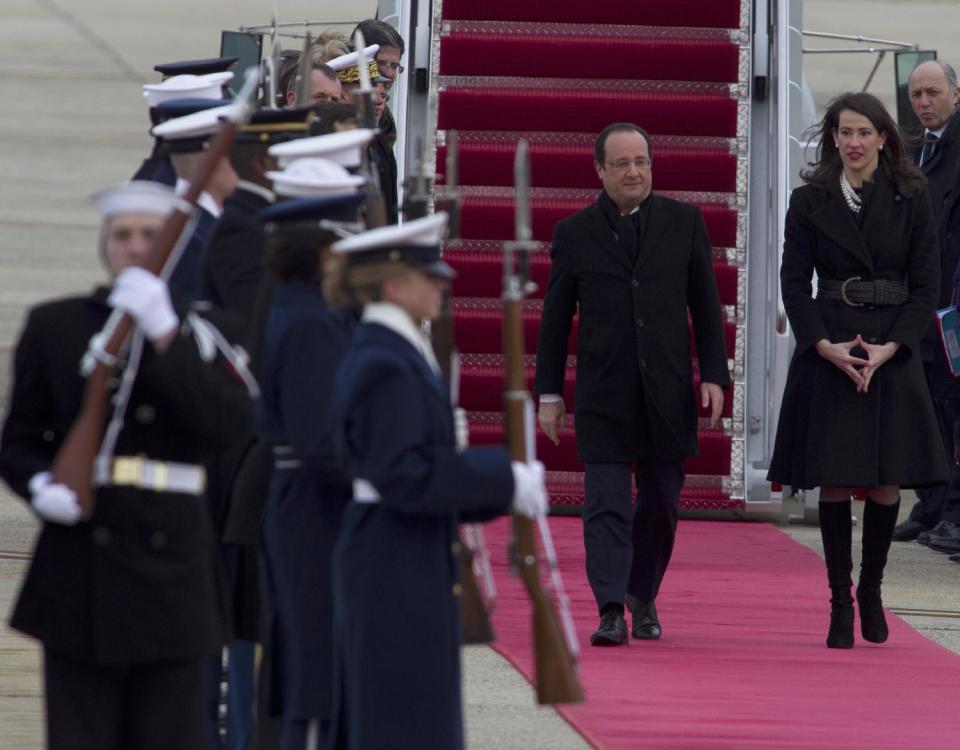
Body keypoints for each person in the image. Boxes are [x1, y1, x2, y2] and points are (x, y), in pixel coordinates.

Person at [0, 180, 252, 750]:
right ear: (105, 245)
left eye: (148, 235)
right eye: (122, 236)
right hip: (80, 566)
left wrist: (167, 334)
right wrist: (39, 485)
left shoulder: (208, 333)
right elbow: (18, 440)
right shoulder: (56, 326)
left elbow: (225, 427)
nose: (135, 247)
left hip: (176, 574)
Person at [326, 213, 548, 750]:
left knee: (414, 713)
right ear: (394, 284)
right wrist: (502, 477)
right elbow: (404, 474)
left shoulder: (394, 351)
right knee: (401, 719)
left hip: (401, 553)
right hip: (392, 560)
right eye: (432, 276)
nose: (443, 285)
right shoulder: (384, 360)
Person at [534, 122, 730, 646]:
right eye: (621, 163)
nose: (633, 171)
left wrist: (713, 374)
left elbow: (707, 308)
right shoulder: (574, 233)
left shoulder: (684, 223)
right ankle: (611, 607)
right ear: (599, 170)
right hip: (604, 391)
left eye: (641, 161)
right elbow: (555, 320)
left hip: (667, 390)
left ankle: (644, 594)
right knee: (605, 502)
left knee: (663, 501)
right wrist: (549, 393)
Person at [767, 92, 949, 648]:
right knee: (837, 478)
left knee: (885, 479)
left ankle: (872, 591)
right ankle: (838, 600)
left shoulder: (911, 196)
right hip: (831, 344)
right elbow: (794, 282)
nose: (853, 143)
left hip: (891, 347)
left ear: (883, 138)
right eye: (844, 133)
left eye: (864, 133)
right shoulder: (810, 200)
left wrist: (894, 347)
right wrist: (821, 344)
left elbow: (927, 286)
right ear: (833, 139)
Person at [255, 188, 366, 750]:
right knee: (318, 672)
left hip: (301, 501)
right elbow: (321, 442)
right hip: (314, 510)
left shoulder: (303, 311)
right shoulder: (310, 322)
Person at [891, 60, 960, 551]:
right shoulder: (914, 149)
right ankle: (932, 506)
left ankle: (953, 514)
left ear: (956, 93)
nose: (923, 103)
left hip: (955, 301)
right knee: (928, 408)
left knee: (953, 410)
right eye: (916, 95)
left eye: (933, 93)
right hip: (923, 302)